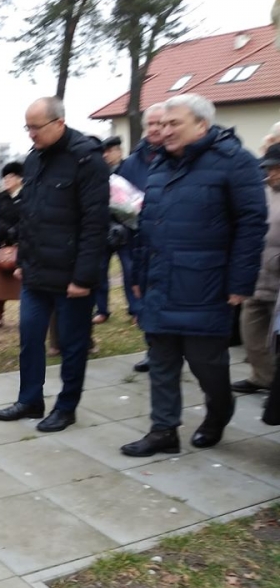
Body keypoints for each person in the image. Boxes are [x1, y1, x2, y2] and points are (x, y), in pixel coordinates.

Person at [120, 94, 267, 457]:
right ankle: (163, 430)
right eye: (162, 124)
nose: (165, 131)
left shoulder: (235, 161)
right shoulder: (160, 164)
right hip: (160, 282)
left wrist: (240, 283)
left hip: (206, 285)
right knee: (161, 361)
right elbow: (147, 226)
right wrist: (139, 273)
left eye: (174, 124)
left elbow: (251, 225)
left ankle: (219, 411)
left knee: (207, 364)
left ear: (201, 125)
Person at [0, 97, 110, 433]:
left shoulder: (87, 159)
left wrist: (83, 278)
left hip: (72, 276)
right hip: (36, 272)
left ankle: (66, 407)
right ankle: (30, 400)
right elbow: (29, 216)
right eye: (27, 127)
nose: (31, 134)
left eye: (36, 127)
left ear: (59, 123)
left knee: (72, 344)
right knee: (30, 338)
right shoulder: (34, 159)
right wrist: (23, 261)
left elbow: (95, 224)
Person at [119, 102, 167, 373]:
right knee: (141, 295)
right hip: (137, 239)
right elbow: (118, 196)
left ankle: (169, 349)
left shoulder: (177, 156)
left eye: (160, 123)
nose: (155, 128)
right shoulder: (132, 162)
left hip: (168, 237)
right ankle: (153, 348)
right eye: (151, 123)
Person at [235, 141, 280, 395]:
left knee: (277, 340)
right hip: (257, 278)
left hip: (278, 283)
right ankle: (263, 377)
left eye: (277, 168)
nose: (272, 173)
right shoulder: (261, 192)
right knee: (251, 335)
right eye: (269, 168)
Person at [93, 135, 129, 325]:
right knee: (100, 271)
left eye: (109, 151)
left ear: (118, 151)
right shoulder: (99, 172)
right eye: (104, 152)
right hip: (104, 228)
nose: (106, 155)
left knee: (129, 270)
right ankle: (102, 310)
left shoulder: (127, 169)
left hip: (125, 229)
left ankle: (135, 309)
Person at [0, 161, 24, 328]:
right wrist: (6, 230)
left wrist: (17, 231)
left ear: (19, 178)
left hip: (23, 245)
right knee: (0, 282)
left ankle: (24, 314)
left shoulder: (28, 196)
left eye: (10, 177)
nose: (7, 180)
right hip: (3, 245)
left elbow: (29, 217)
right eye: (5, 178)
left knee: (24, 282)